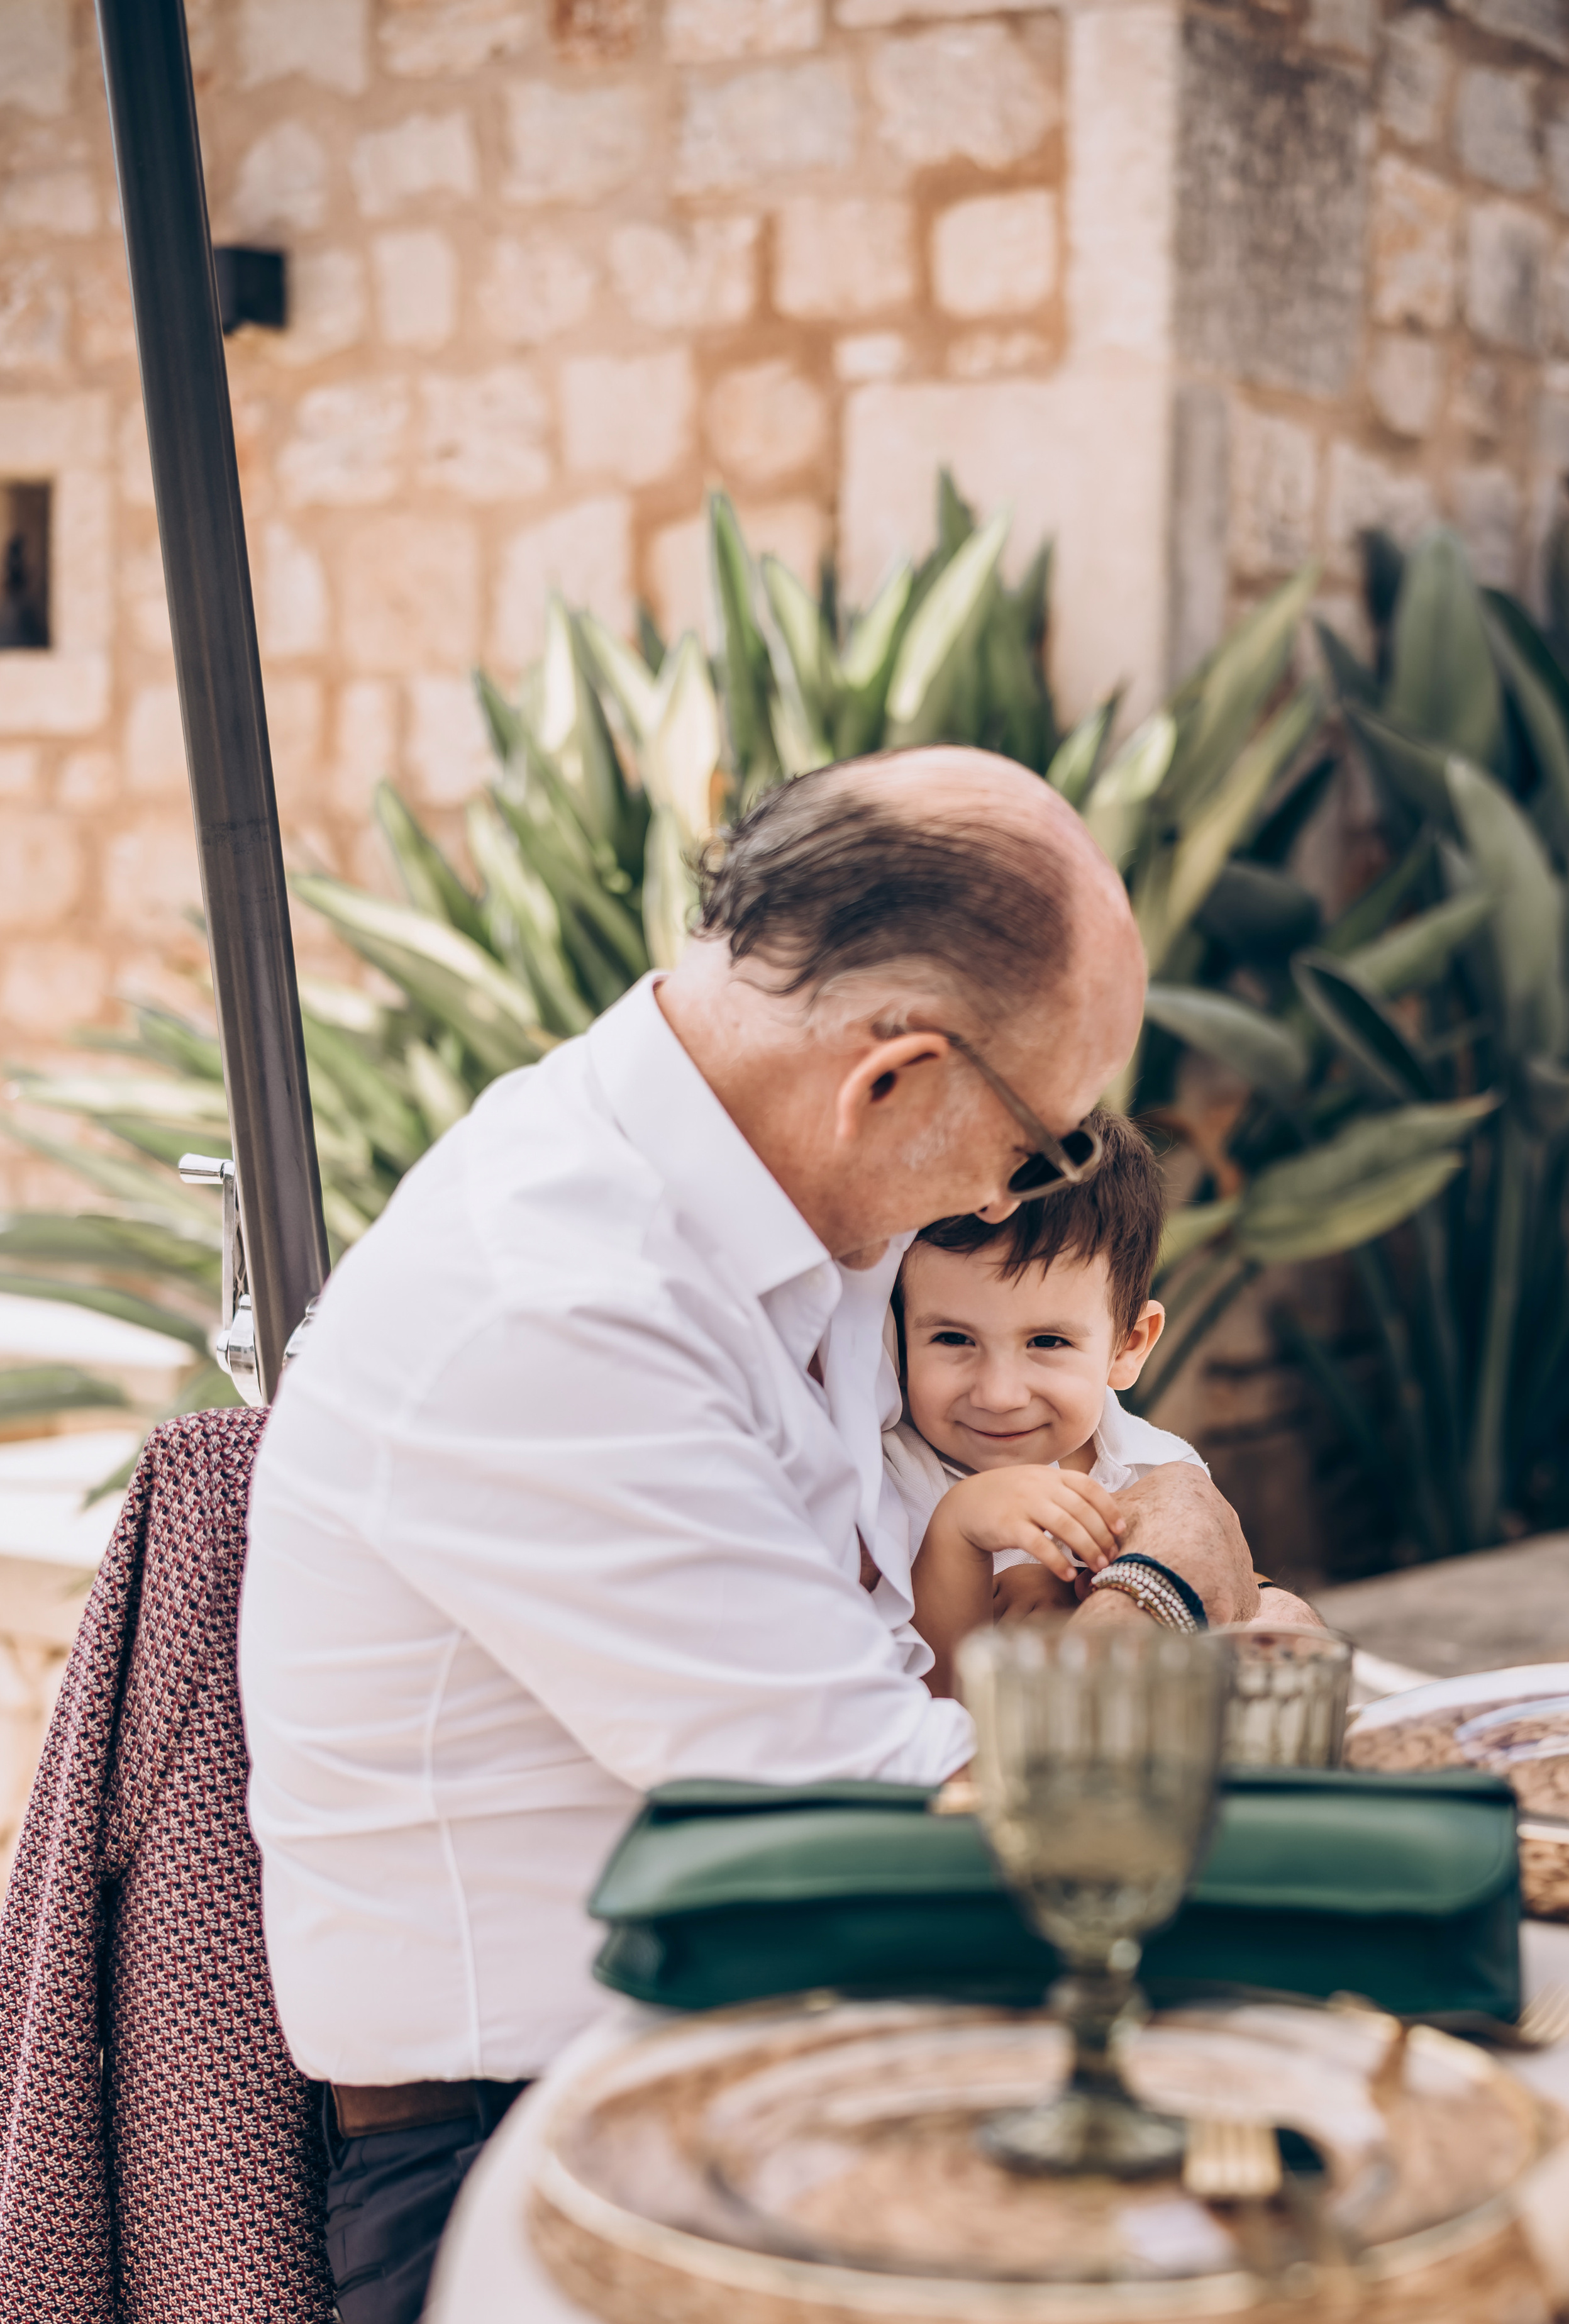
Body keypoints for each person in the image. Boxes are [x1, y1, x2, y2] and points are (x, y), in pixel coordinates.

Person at [240, 747, 1270, 2324]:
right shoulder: (552, 1308)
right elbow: (902, 1820)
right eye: (1042, 1147)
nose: (1019, 1191)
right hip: (532, 2145)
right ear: (890, 1079)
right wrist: (1161, 1589)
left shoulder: (795, 1214)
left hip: (772, 2046)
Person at [886, 1109, 1216, 1694]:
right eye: (954, 1339)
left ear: (1128, 1346)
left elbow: (1211, 1642)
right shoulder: (891, 1479)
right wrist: (958, 1532)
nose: (999, 1395)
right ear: (898, 1334)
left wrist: (1086, 1598)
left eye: (1047, 1342)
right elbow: (919, 1699)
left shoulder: (1160, 1473)